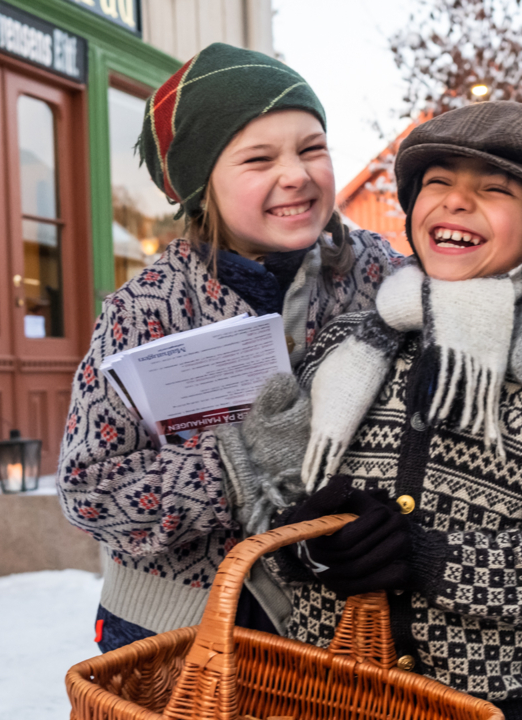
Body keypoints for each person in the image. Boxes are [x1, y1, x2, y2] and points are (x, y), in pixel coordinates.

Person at [224, 102, 522, 720]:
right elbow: (279, 503)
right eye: (438, 183)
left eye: (493, 190)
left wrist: (421, 555)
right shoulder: (347, 349)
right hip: (328, 689)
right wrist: (310, 547)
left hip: (478, 703)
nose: (456, 202)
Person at [55, 43, 402, 653]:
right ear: (201, 186)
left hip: (346, 627)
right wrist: (247, 463)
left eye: (311, 148)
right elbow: (92, 489)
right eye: (258, 158)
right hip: (180, 635)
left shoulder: (381, 277)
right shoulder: (146, 310)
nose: (295, 173)